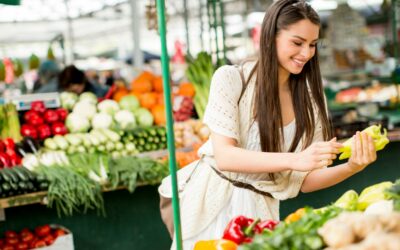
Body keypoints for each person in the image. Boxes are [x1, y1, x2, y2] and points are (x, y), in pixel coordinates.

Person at [158, 0, 377, 249]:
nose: (306, 53)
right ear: (270, 36)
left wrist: (351, 167)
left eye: (313, 45)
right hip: (213, 207)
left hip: (261, 216)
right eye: (297, 43)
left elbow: (304, 181)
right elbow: (226, 156)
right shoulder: (231, 78)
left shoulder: (311, 99)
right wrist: (295, 159)